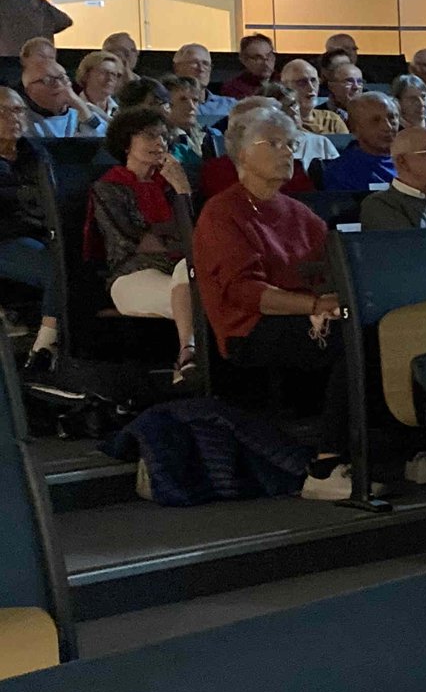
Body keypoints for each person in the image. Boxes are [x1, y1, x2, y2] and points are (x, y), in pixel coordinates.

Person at [192, 103, 362, 501]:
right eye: (274, 143)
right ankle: (325, 465)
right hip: (248, 328)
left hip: (304, 316)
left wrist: (335, 300)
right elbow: (244, 293)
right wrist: (315, 307)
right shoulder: (223, 212)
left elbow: (332, 269)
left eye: (291, 143)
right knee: (349, 342)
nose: (288, 151)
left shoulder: (299, 212)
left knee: (375, 330)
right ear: (242, 152)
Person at [89, 107, 198, 378]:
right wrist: (178, 242)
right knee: (198, 294)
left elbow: (196, 237)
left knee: (191, 272)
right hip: (133, 275)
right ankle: (189, 357)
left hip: (180, 271)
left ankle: (188, 355)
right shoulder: (108, 188)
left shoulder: (172, 184)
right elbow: (138, 243)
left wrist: (183, 192)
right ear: (127, 143)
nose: (159, 143)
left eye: (163, 136)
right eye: (150, 136)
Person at [0, 87, 59, 366]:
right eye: (3, 111)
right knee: (57, 267)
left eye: (18, 110)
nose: (14, 117)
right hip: (5, 240)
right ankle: (45, 347)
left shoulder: (35, 153)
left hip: (42, 233)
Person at [322, 94, 400, 191]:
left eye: (392, 118)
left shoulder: (412, 160)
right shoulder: (342, 172)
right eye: (375, 121)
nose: (388, 127)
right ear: (354, 128)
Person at [278, 59, 347, 136]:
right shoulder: (278, 121)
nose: (311, 88)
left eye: (314, 81)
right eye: (302, 82)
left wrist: (299, 129)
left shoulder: (331, 120)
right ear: (285, 87)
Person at [18, 56, 80, 139]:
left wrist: (82, 109)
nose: (59, 84)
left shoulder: (85, 113)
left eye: (62, 78)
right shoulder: (21, 122)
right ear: (30, 90)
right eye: (48, 80)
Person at [171, 44, 234, 126]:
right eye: (194, 63)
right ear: (177, 68)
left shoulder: (230, 105)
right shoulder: (165, 104)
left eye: (205, 64)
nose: (201, 69)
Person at [221, 33, 276, 99]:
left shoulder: (285, 81)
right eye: (258, 58)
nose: (266, 63)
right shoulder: (233, 88)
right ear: (244, 60)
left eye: (269, 56)